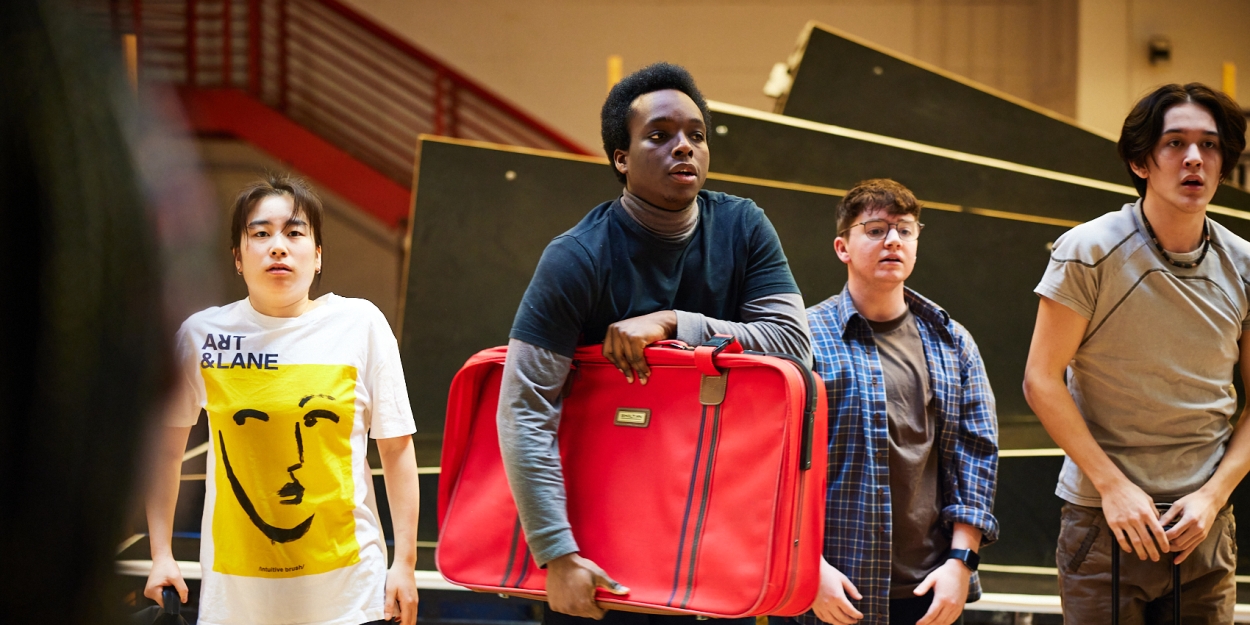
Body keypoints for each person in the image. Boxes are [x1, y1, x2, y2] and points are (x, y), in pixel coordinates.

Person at [497, 62, 812, 624]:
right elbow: (524, 409)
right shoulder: (575, 256)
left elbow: (792, 345)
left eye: (696, 135)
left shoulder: (744, 226)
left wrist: (673, 324)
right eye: (660, 136)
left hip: (716, 535)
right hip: (602, 549)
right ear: (621, 158)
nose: (684, 148)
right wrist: (558, 555)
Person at [143, 175, 421, 625]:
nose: (278, 246)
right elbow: (165, 451)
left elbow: (395, 448)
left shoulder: (361, 325)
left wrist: (404, 565)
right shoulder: (202, 336)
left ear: (317, 255)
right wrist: (162, 555)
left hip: (349, 594)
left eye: (294, 232)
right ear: (237, 257)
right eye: (260, 233)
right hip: (237, 602)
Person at [1023, 83, 1250, 622]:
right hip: (1105, 520)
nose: (1194, 158)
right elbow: (1041, 380)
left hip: (1203, 525)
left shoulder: (1243, 263)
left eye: (1210, 145)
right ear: (1140, 160)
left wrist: (1214, 496)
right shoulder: (1089, 251)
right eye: (1175, 143)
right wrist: (1113, 487)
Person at [800, 179, 999, 625]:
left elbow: (976, 460)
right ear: (842, 247)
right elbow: (770, 466)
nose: (892, 239)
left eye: (905, 230)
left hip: (927, 589)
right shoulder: (803, 339)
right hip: (829, 588)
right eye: (874, 229)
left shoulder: (953, 341)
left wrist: (961, 562)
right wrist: (805, 569)